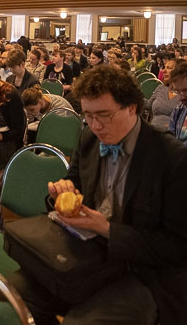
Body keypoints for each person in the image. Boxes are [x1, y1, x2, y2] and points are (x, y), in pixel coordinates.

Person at [10, 65, 187, 325]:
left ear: (132, 108)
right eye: (88, 116)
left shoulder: (172, 158)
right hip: (90, 255)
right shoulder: (89, 138)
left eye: (104, 115)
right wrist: (61, 192)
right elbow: (73, 183)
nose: (95, 125)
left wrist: (107, 229)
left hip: (143, 273)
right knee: (14, 294)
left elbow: (177, 247)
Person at [147, 58, 185, 130]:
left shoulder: (184, 95)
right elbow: (148, 105)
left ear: (180, 72)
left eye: (169, 68)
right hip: (153, 132)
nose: (163, 71)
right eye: (164, 67)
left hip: (174, 136)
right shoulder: (161, 88)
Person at [168, 61, 187, 146]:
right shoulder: (179, 110)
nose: (180, 97)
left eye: (185, 91)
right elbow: (171, 142)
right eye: (177, 91)